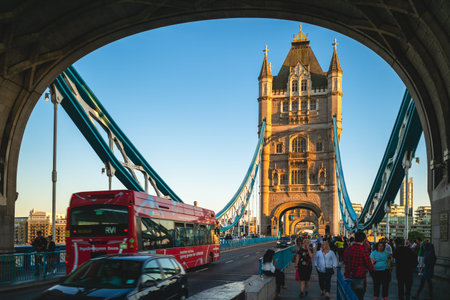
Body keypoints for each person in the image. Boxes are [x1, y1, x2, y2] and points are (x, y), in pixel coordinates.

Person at [344, 231, 375, 300]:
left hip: (348, 277)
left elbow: (345, 261)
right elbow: (369, 266)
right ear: (364, 240)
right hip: (360, 278)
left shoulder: (348, 249)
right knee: (359, 297)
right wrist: (372, 262)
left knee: (349, 297)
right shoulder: (364, 251)